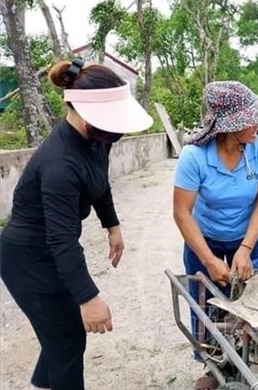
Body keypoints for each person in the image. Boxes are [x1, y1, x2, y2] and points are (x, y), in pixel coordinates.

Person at [0, 58, 153, 390]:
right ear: (81, 111)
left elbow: (100, 183)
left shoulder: (96, 139)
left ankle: (42, 385)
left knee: (61, 335)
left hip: (49, 251)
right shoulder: (60, 165)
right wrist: (88, 298)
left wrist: (113, 225)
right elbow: (63, 241)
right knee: (68, 338)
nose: (115, 133)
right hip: (27, 259)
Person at [172, 81, 258, 363]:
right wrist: (208, 260)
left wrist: (245, 249)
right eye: (250, 118)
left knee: (253, 299)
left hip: (248, 236)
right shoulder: (194, 156)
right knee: (204, 302)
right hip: (204, 237)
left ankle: (250, 360)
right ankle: (210, 363)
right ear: (229, 125)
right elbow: (182, 212)